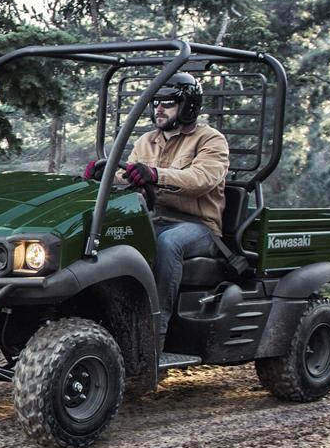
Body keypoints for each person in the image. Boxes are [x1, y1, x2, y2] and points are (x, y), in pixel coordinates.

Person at [83, 71, 229, 348]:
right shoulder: (147, 140)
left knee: (167, 243)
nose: (159, 109)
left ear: (188, 106)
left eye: (168, 103)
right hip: (153, 218)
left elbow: (202, 180)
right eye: (156, 103)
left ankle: (154, 334)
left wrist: (155, 174)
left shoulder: (210, 140)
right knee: (110, 235)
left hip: (197, 226)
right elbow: (130, 176)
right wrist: (105, 172)